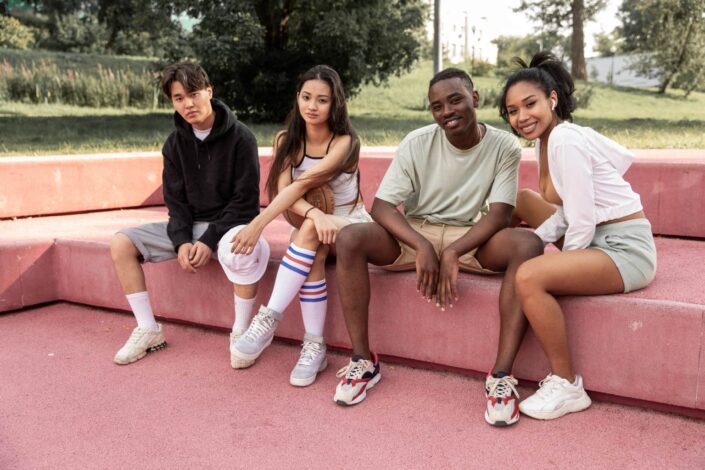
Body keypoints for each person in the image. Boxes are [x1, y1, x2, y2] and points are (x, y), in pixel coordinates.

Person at [331, 68, 545, 426]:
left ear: (475, 99)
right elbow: (381, 207)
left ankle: (501, 377)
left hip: (472, 237)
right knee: (350, 237)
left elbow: (500, 214)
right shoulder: (417, 142)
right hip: (416, 234)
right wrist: (423, 246)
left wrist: (453, 251)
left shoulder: (504, 145)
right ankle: (363, 362)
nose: (447, 111)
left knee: (528, 243)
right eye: (437, 106)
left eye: (455, 99)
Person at [501, 51, 657, 420]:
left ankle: (567, 384)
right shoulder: (547, 139)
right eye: (512, 110)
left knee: (529, 277)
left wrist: (559, 262)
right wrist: (537, 240)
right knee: (524, 200)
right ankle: (483, 253)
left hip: (624, 250)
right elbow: (564, 213)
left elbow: (582, 219)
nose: (522, 117)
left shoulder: (565, 140)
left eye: (530, 104)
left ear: (552, 99)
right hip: (600, 238)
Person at [110, 62, 267, 366]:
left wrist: (208, 239)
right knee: (121, 243)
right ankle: (148, 329)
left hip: (230, 227)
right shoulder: (174, 144)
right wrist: (182, 241)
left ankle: (241, 331)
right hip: (190, 227)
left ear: (209, 91)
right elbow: (176, 202)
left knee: (243, 249)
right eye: (178, 98)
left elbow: (245, 203)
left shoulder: (241, 138)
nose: (188, 104)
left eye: (193, 94)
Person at [227, 65, 371, 387]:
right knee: (312, 250)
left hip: (351, 221)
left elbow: (302, 184)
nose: (312, 106)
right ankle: (315, 346)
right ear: (297, 98)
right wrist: (316, 215)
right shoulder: (287, 139)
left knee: (306, 234)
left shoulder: (344, 141)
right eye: (306, 97)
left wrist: (257, 224)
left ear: (335, 105)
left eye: (322, 100)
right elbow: (284, 193)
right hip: (314, 224)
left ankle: (268, 319)